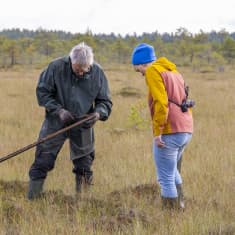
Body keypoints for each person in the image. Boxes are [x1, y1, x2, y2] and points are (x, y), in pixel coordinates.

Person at [28, 42, 112, 200]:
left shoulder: (98, 73)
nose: (81, 72)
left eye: (85, 69)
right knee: (43, 160)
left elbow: (105, 102)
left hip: (83, 124)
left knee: (84, 165)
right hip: (55, 122)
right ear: (71, 61)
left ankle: (83, 203)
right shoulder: (55, 68)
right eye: (77, 69)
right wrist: (58, 110)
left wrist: (97, 114)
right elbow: (43, 93)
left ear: (90, 65)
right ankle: (32, 200)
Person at [131, 43, 193, 209]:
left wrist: (158, 131)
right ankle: (181, 206)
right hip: (186, 128)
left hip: (170, 129)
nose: (141, 74)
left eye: (138, 70)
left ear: (143, 63)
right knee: (172, 172)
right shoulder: (173, 71)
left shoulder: (153, 71)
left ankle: (171, 218)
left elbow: (161, 102)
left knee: (165, 178)